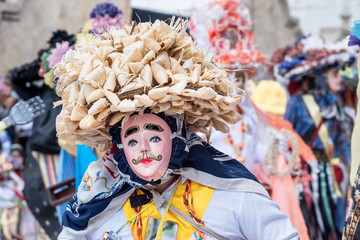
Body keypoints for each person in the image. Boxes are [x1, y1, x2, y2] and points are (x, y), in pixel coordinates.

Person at [54, 17, 298, 239]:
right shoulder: (97, 203)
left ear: (178, 134)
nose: (144, 149)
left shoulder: (231, 193)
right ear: (118, 147)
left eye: (154, 136)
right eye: (131, 141)